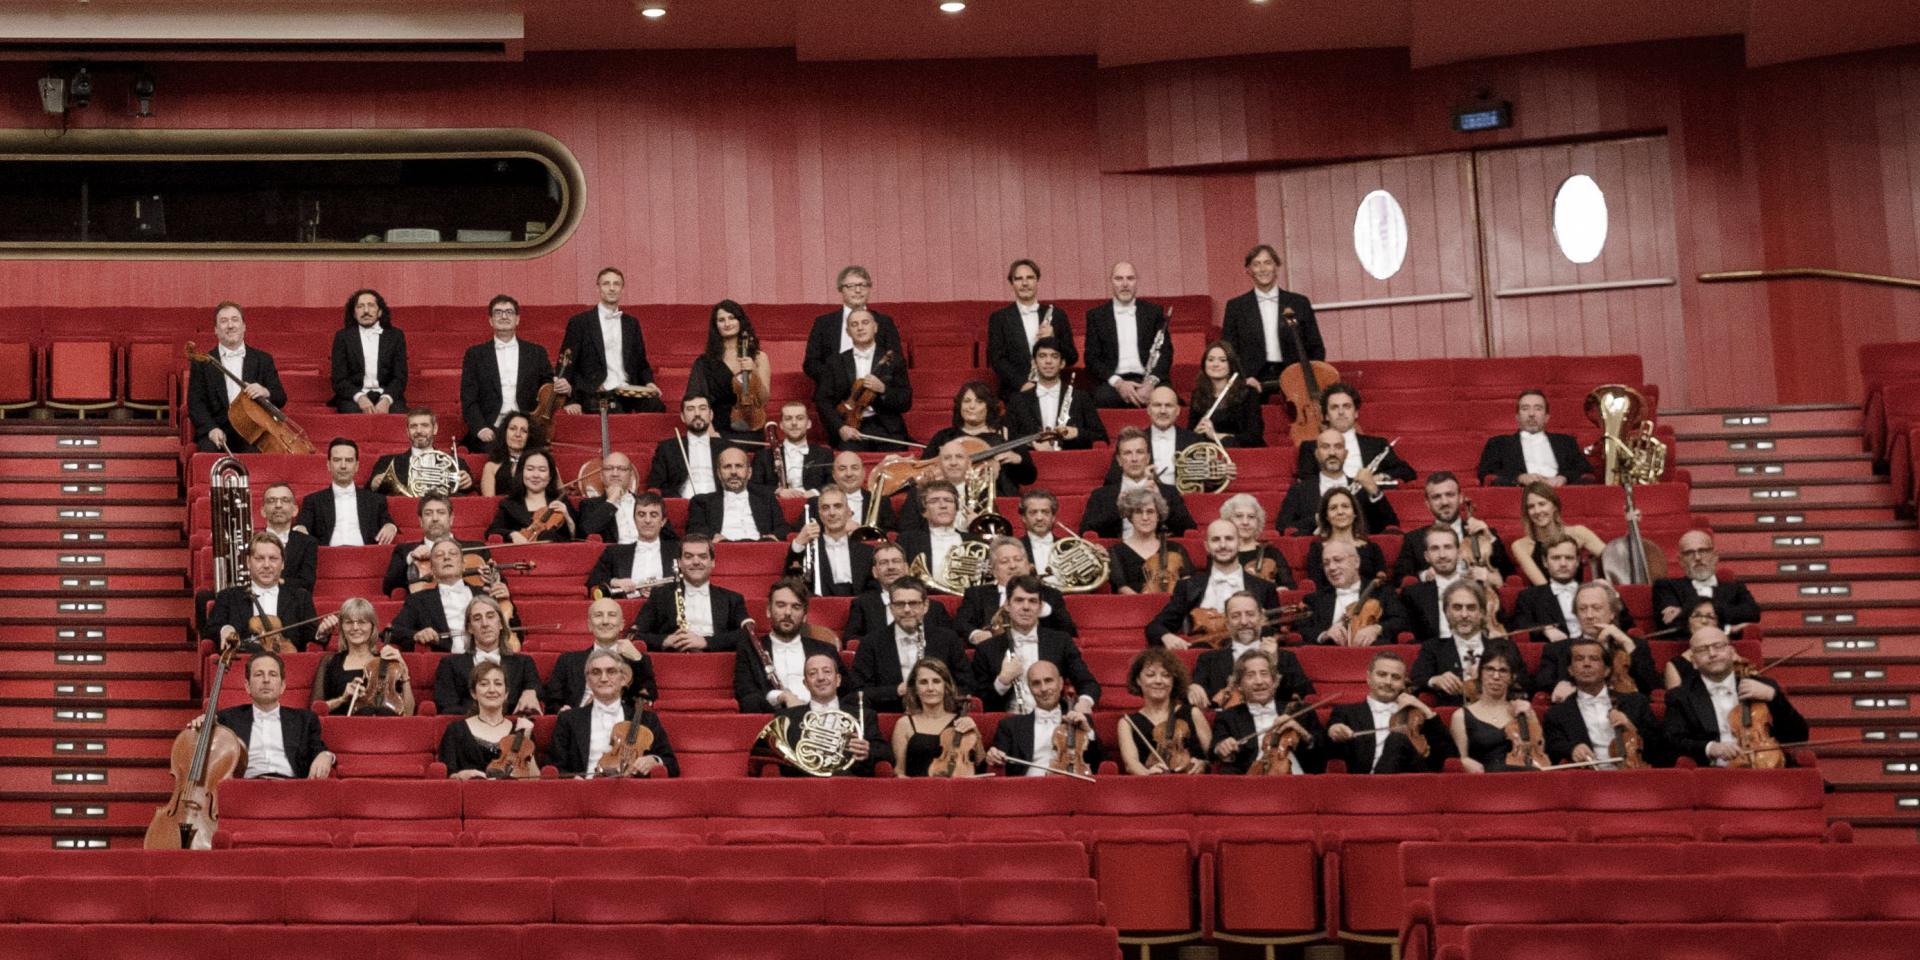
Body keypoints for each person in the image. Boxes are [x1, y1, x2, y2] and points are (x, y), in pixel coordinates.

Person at [1664, 626, 1809, 768]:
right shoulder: (1680, 696)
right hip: (1714, 778)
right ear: (1694, 662)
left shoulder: (1764, 685)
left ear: (1732, 652)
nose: (1712, 653)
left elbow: (1798, 736)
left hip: (1766, 770)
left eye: (1718, 646)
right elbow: (1672, 742)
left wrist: (1774, 697)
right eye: (1702, 650)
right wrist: (1710, 748)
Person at [971, 576, 1099, 714]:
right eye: (1019, 600)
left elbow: (1088, 683)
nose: (1026, 607)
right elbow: (981, 703)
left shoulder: (1061, 641)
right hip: (1008, 726)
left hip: (1054, 723)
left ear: (1040, 607)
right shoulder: (987, 649)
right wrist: (1002, 681)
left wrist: (1085, 702)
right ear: (1007, 605)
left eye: (1032, 601)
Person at [1146, 519, 1283, 649]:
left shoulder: (1265, 587)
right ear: (1207, 546)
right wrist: (1167, 636)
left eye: (1229, 539)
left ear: (1239, 543)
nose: (1223, 545)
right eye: (1216, 539)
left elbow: (1276, 630)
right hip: (1204, 658)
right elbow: (1156, 626)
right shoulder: (1187, 587)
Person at [197, 652, 334, 779]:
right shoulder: (226, 719)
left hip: (291, 789)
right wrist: (201, 725)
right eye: (258, 674)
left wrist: (326, 755)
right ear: (247, 686)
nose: (266, 680)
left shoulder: (305, 720)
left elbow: (319, 749)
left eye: (273, 674)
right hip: (244, 789)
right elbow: (207, 752)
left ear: (282, 686)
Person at [550, 649, 678, 777]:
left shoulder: (647, 719)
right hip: (584, 791)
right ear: (588, 681)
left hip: (634, 793)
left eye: (611, 671)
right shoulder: (568, 720)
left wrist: (654, 761)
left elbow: (672, 765)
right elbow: (554, 768)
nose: (604, 678)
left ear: (623, 679)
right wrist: (573, 779)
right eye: (596, 672)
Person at [1544, 637, 1667, 769]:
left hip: (1633, 777)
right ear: (1570, 670)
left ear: (1607, 670)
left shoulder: (1636, 702)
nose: (1586, 664)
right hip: (1586, 780)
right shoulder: (1556, 714)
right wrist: (1572, 749)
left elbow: (1662, 751)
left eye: (1594, 659)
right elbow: (1553, 748)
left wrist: (1632, 728)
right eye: (1579, 659)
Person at [851, 577, 968, 715]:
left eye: (913, 603)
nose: (907, 609)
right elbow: (858, 693)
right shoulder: (870, 643)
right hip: (892, 715)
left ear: (925, 606)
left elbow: (967, 685)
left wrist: (936, 694)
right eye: (900, 604)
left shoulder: (948, 639)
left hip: (940, 716)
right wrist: (898, 690)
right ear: (891, 608)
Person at [1220, 243, 1322, 399]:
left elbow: (1316, 347)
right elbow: (1229, 351)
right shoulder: (1236, 307)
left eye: (1268, 263)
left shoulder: (1299, 303)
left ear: (1276, 267)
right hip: (1252, 380)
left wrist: (1307, 378)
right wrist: (1242, 379)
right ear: (1248, 270)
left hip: (1296, 378)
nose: (1262, 269)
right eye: (1256, 264)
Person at [459, 294, 559, 451]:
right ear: (490, 320)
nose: (504, 316)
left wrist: (562, 387)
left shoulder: (537, 352)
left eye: (509, 312)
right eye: (498, 312)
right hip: (491, 429)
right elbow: (468, 398)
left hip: (527, 429)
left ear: (517, 319)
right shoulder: (474, 354)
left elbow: (549, 388)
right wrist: (481, 429)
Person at [558, 266, 663, 413]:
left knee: (656, 406)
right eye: (606, 284)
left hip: (629, 391)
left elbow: (642, 363)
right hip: (597, 393)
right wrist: (570, 401)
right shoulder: (580, 322)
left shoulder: (632, 323)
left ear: (622, 289)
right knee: (614, 410)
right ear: (598, 288)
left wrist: (650, 383)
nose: (612, 288)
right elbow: (566, 363)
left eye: (616, 284)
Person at [188, 301, 288, 453]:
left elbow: (280, 397)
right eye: (224, 321)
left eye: (235, 320)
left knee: (257, 455)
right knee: (208, 451)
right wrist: (211, 428)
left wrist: (265, 391)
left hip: (253, 432)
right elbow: (196, 403)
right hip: (218, 429)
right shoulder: (203, 362)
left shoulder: (263, 359)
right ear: (215, 329)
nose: (230, 325)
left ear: (244, 326)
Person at [1532, 581, 1657, 701]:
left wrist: (1627, 644)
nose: (1589, 615)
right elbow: (1540, 683)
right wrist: (1561, 685)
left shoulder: (1634, 646)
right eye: (1582, 609)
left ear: (1612, 613)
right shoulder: (1556, 649)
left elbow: (1652, 687)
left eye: (1596, 608)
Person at [1410, 580, 1529, 707]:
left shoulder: (1504, 646)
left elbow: (1524, 680)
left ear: (1482, 612)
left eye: (1471, 608)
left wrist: (1492, 676)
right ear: (1446, 612)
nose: (1464, 615)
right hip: (1453, 716)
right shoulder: (1433, 647)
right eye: (1457, 608)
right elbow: (1417, 677)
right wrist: (1435, 680)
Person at [1187, 592, 1314, 708]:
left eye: (1250, 614)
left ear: (1261, 618)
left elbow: (1306, 697)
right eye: (1236, 616)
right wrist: (1193, 688)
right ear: (1227, 622)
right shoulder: (1208, 660)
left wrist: (1274, 664)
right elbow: (1201, 700)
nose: (1244, 621)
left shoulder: (1286, 658)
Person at [771, 653, 890, 777]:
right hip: (804, 787)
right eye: (813, 673)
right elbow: (766, 753)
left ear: (838, 680)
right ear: (805, 683)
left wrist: (868, 751)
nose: (821, 677)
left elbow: (887, 754)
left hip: (850, 786)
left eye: (827, 671)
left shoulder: (864, 715)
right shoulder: (786, 718)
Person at [1325, 652, 1445, 774]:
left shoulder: (1415, 715)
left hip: (1409, 784)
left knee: (1397, 739)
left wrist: (1425, 709)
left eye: (1396, 677)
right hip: (1362, 784)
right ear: (1369, 678)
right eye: (1382, 675)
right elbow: (1326, 748)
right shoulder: (1346, 712)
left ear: (1404, 683)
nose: (1388, 682)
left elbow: (1445, 756)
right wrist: (1334, 731)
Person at [202, 533, 325, 652]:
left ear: (282, 564)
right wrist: (225, 629)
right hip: (241, 664)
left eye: (273, 559)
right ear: (248, 562)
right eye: (260, 558)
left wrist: (322, 632)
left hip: (288, 665)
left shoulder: (300, 597)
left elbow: (312, 637)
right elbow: (209, 631)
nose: (266, 565)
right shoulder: (228, 596)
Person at [814, 308, 914, 452]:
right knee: (848, 460)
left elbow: (906, 401)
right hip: (851, 427)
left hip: (887, 428)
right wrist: (840, 428)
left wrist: (883, 389)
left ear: (875, 328)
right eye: (854, 325)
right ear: (848, 332)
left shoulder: (894, 360)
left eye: (865, 322)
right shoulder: (835, 362)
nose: (860, 328)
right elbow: (823, 400)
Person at [734, 578, 841, 713]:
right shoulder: (750, 650)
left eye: (796, 607)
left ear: (804, 616)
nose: (788, 613)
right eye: (781, 605)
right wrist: (781, 697)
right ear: (768, 610)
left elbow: (846, 694)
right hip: (774, 723)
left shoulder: (826, 650)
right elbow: (747, 698)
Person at [389, 539, 516, 652]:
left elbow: (514, 632)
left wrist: (505, 601)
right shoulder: (418, 600)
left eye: (453, 554)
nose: (446, 558)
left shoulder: (485, 594)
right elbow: (392, 632)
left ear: (463, 565)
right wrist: (416, 635)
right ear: (432, 569)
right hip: (449, 663)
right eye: (439, 555)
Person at [632, 536, 753, 652]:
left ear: (713, 562)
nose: (696, 562)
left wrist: (706, 642)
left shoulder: (732, 599)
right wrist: (665, 640)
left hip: (717, 662)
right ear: (679, 562)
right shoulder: (660, 596)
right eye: (689, 556)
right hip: (673, 661)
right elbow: (636, 635)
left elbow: (747, 634)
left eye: (703, 556)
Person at [1213, 648, 1324, 775]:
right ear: (1239, 685)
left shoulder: (1302, 710)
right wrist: (1221, 747)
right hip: (1251, 785)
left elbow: (1324, 751)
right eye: (1250, 675)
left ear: (1275, 681)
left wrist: (1302, 732)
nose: (1259, 682)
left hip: (1299, 782)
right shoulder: (1228, 717)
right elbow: (1216, 748)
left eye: (1264, 674)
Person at [540, 596, 656, 713]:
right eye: (598, 615)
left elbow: (649, 696)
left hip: (621, 725)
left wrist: (637, 659)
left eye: (611, 615)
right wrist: (561, 710)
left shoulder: (638, 659)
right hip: (578, 723)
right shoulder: (568, 661)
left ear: (621, 625)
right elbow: (551, 702)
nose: (605, 621)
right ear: (589, 625)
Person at [987, 660, 1101, 777]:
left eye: (1048, 681)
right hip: (1028, 789)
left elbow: (1099, 763)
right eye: (1036, 683)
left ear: (1061, 683)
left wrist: (1088, 732)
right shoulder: (1009, 726)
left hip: (1071, 787)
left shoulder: (1080, 720)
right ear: (1030, 688)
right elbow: (993, 766)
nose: (1044, 688)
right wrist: (994, 756)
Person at [955, 536, 1077, 644]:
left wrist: (1046, 610)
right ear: (993, 570)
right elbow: (961, 624)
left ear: (1029, 565)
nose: (1013, 566)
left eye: (1018, 559)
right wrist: (975, 634)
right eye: (1004, 561)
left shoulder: (1050, 594)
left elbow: (1069, 631)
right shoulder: (977, 594)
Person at [1083, 261, 1172, 408]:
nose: (1125, 284)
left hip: (1149, 379)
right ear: (1111, 282)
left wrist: (1150, 383)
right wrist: (1118, 383)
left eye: (1130, 278)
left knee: (1167, 397)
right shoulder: (1096, 315)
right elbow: (1092, 358)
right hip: (1114, 383)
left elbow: (1166, 352)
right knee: (1101, 398)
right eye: (1119, 279)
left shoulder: (1154, 312)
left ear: (1136, 282)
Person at [437, 595, 545, 716]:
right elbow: (447, 707)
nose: (485, 624)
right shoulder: (450, 664)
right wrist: (487, 715)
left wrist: (531, 691)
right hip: (468, 728)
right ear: (470, 628)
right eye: (477, 618)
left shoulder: (523, 662)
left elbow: (537, 686)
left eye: (490, 616)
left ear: (500, 624)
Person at [1393, 471, 1511, 582]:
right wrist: (1425, 576)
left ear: (1460, 498)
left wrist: (1491, 538)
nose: (1444, 502)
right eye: (1436, 497)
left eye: (1450, 495)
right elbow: (1399, 578)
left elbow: (1508, 574)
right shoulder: (1413, 539)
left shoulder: (1484, 532)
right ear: (1427, 504)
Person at [897, 432, 1025, 533]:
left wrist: (977, 526)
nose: (953, 463)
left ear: (969, 463)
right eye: (947, 458)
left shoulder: (986, 494)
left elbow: (995, 536)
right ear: (939, 464)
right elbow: (907, 534)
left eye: (959, 457)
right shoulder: (918, 493)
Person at [1080, 428, 1197, 538]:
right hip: (1116, 556)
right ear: (1119, 460)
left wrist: (1160, 500)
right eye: (1127, 453)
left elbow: (1188, 530)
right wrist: (1117, 509)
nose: (1134, 459)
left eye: (1140, 452)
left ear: (1147, 458)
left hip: (1158, 556)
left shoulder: (1168, 492)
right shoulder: (1100, 495)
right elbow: (1085, 533)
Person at [1277, 429, 1397, 536]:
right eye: (1325, 447)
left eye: (1338, 447)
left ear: (1346, 454)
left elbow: (1391, 526)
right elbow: (1283, 528)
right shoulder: (1299, 490)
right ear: (1317, 454)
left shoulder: (1363, 488)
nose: (1332, 453)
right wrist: (1317, 520)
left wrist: (1374, 490)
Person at [1509, 535, 1631, 639]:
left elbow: (1628, 626)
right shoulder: (1529, 596)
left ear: (1577, 561)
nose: (1563, 564)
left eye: (1569, 558)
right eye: (1556, 558)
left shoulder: (1596, 591)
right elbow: (1519, 627)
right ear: (1545, 562)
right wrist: (1545, 630)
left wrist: (1614, 594)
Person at [987, 258, 1078, 397]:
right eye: (1018, 279)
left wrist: (1053, 340)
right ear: (1012, 284)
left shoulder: (1058, 315)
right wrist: (1022, 384)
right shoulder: (999, 318)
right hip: (1017, 390)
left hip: (1052, 387)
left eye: (1030, 278)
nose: (1024, 283)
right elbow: (997, 360)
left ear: (1037, 281)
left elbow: (1072, 357)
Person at [1291, 383, 1415, 484]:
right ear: (1326, 416)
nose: (1341, 412)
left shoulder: (1377, 444)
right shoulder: (1309, 447)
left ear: (1356, 413)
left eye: (1346, 406)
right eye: (1334, 407)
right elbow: (1307, 482)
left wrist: (1381, 476)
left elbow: (1407, 472)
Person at [1398, 526, 1503, 644]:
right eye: (1435, 549)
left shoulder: (1483, 589)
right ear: (1427, 556)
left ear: (1459, 553)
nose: (1442, 555)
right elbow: (1410, 639)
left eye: (1447, 547)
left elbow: (1503, 628)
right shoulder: (1412, 594)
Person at [803, 265, 904, 385]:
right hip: (834, 393)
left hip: (875, 392)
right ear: (841, 289)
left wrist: (877, 383)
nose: (857, 290)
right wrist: (833, 379)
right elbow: (811, 363)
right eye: (851, 286)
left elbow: (896, 359)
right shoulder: (823, 323)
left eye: (863, 285)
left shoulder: (884, 322)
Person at [312, 598, 412, 717]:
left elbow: (409, 713)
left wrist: (404, 673)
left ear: (372, 627)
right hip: (340, 730)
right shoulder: (329, 661)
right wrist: (342, 699)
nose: (355, 628)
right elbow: (315, 710)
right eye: (348, 622)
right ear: (342, 628)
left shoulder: (386, 661)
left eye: (362, 622)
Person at [1117, 647, 1210, 775]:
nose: (1159, 681)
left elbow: (1213, 757)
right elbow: (1131, 764)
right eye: (1150, 675)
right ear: (1138, 680)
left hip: (1194, 786)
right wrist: (1148, 775)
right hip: (1150, 789)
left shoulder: (1193, 713)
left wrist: (1203, 764)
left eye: (1166, 675)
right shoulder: (1127, 723)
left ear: (1173, 681)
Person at [438, 662, 539, 779]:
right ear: (473, 693)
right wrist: (460, 776)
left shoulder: (521, 729)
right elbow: (446, 778)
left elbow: (534, 779)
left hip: (512, 795)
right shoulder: (455, 730)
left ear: (506, 693)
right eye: (484, 684)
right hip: (471, 794)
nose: (492, 690)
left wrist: (525, 739)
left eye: (498, 684)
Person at [684, 299, 770, 436]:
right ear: (716, 325)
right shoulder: (704, 362)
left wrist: (754, 371)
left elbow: (763, 399)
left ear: (740, 322)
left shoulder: (759, 357)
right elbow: (694, 398)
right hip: (716, 426)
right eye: (721, 320)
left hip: (750, 423)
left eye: (732, 318)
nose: (727, 324)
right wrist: (710, 431)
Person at [1476, 389, 1594, 487]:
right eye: (1525, 408)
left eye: (1538, 408)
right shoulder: (1498, 443)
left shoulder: (1566, 442)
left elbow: (1585, 470)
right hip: (1519, 494)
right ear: (1517, 417)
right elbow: (1486, 474)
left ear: (1547, 417)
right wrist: (1520, 477)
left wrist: (1564, 478)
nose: (1531, 414)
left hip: (1561, 493)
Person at [294, 439, 398, 547]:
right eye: (337, 460)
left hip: (365, 558)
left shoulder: (375, 500)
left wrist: (390, 526)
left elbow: (387, 520)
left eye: (348, 460)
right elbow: (302, 524)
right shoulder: (312, 500)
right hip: (326, 558)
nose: (343, 466)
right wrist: (300, 528)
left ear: (357, 466)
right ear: (328, 465)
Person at [1006, 338, 1105, 451]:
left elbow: (1101, 437)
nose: (1048, 361)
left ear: (1062, 363)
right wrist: (1032, 444)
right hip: (1030, 465)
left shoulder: (1081, 397)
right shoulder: (1018, 400)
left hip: (1070, 464)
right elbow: (1008, 437)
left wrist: (1077, 433)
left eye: (1054, 356)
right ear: (1034, 362)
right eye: (1042, 356)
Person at [1302, 540, 1407, 646]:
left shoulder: (1383, 592)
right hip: (1329, 657)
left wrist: (1377, 628)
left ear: (1356, 562)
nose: (1331, 568)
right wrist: (1324, 634)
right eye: (1326, 563)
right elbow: (1302, 629)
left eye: (1338, 560)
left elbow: (1401, 621)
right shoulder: (1314, 599)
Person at [1449, 657, 1543, 773]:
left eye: (1503, 671)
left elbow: (1540, 753)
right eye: (1490, 669)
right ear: (1480, 674)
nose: (1496, 677)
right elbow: (1460, 759)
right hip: (1484, 779)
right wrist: (1464, 760)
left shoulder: (1523, 711)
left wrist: (1531, 718)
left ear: (1511, 677)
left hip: (1522, 775)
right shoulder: (1460, 716)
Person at [845, 542, 957, 639]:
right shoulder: (862, 605)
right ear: (874, 572)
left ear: (906, 568)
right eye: (884, 562)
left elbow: (949, 641)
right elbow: (851, 640)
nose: (890, 567)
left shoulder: (935, 608)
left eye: (896, 561)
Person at [1654, 530, 1762, 630]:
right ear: (1681, 561)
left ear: (1715, 556)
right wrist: (1728, 628)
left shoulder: (1735, 588)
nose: (1697, 558)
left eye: (1703, 551)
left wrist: (1684, 611)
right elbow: (1669, 623)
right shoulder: (1666, 587)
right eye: (1689, 553)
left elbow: (1753, 614)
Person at [891, 658, 981, 777]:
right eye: (923, 682)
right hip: (917, 791)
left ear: (945, 686)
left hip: (955, 791)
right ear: (915, 689)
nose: (930, 688)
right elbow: (899, 771)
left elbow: (981, 764)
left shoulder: (961, 721)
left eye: (936, 681)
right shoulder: (904, 724)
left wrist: (975, 732)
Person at [1509, 483, 1610, 586]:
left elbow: (1612, 561)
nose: (1537, 511)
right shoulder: (1521, 546)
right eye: (1531, 507)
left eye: (1542, 504)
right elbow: (1543, 586)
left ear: (1554, 506)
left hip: (1579, 598)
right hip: (1544, 599)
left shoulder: (1579, 533)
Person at [586, 492, 680, 599]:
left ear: (663, 521)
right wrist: (615, 582)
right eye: (641, 514)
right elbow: (592, 583)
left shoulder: (678, 551)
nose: (647, 520)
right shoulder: (614, 553)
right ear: (634, 520)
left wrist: (664, 589)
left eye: (653, 515)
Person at [685, 447, 790, 542]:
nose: (733, 472)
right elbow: (695, 528)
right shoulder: (701, 501)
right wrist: (714, 536)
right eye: (727, 467)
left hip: (760, 550)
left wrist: (772, 537)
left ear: (749, 473)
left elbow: (782, 527)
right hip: (722, 552)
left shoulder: (767, 498)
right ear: (718, 474)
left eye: (739, 466)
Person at [328, 288, 407, 414]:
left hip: (386, 394)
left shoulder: (396, 336)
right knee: (352, 414)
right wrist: (359, 397)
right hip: (354, 396)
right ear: (354, 313)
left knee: (398, 414)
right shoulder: (342, 337)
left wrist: (387, 399)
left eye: (371, 306)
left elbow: (400, 377)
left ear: (380, 312)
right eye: (360, 306)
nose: (366, 311)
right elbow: (339, 379)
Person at [894, 481, 983, 591]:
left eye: (948, 500)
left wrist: (979, 526)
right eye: (934, 501)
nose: (943, 505)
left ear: (956, 509)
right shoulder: (907, 540)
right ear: (924, 512)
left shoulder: (975, 540)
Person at [785, 486, 871, 597]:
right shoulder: (809, 550)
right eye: (825, 508)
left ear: (848, 512)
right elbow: (792, 582)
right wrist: (798, 544)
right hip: (820, 609)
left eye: (838, 506)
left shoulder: (867, 552)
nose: (832, 513)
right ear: (820, 514)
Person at [1107, 487, 1195, 595]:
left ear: (1158, 516)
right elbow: (1121, 588)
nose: (1145, 517)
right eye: (1138, 512)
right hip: (1133, 608)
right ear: (1130, 517)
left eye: (1150, 512)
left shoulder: (1176, 548)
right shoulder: (1116, 551)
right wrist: (1148, 603)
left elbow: (1188, 584)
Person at [368, 408, 474, 496]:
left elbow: (468, 495)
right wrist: (373, 485)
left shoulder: (456, 462)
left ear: (435, 429)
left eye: (425, 425)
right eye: (413, 426)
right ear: (407, 432)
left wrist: (468, 484)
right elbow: (367, 494)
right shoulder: (387, 462)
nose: (419, 431)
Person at [381, 494, 467, 597]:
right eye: (428, 514)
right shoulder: (404, 551)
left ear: (451, 518)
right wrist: (411, 558)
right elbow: (388, 587)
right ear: (421, 521)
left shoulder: (478, 549)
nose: (435, 518)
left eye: (441, 513)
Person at [645, 396, 732, 498]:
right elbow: (655, 484)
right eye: (690, 409)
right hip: (683, 504)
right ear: (682, 417)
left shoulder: (728, 447)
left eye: (702, 408)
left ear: (711, 414)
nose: (697, 413)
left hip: (720, 504)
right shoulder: (667, 448)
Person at [1303, 486, 1391, 585]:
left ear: (1354, 513)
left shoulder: (1372, 548)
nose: (1340, 512)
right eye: (1333, 508)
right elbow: (1317, 588)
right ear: (1327, 516)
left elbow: (1382, 583)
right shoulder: (1317, 549)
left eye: (1345, 506)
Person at [487, 449, 576, 543]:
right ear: (521, 473)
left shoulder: (561, 501)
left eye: (542, 470)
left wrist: (567, 517)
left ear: (550, 476)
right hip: (522, 554)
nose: (536, 475)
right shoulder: (508, 504)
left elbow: (577, 538)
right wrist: (512, 534)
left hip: (555, 554)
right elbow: (493, 531)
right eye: (530, 469)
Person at [1189, 340, 1265, 448]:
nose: (1215, 364)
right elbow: (1191, 434)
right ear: (1204, 364)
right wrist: (1196, 435)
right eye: (1210, 360)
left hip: (1243, 454)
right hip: (1211, 456)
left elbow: (1254, 437)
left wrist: (1215, 435)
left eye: (1222, 360)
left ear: (1231, 364)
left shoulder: (1248, 393)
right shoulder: (1198, 395)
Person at [753, 401, 833, 499]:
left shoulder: (824, 454)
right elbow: (754, 486)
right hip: (777, 507)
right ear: (781, 425)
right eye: (788, 419)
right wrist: (778, 491)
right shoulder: (764, 456)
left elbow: (833, 483)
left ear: (808, 424)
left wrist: (814, 492)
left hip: (814, 505)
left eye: (800, 418)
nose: (794, 423)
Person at [1220, 494, 1294, 589]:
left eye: (1251, 517)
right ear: (1228, 520)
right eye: (1239, 516)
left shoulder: (1271, 552)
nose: (1245, 522)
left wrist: (1281, 590)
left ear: (1258, 522)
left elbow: (1289, 586)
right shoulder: (1220, 552)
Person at [257, 482, 317, 594]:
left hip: (292, 604)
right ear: (263, 511)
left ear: (295, 510)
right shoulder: (250, 541)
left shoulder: (308, 543)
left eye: (285, 500)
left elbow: (307, 584)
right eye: (271, 501)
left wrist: (270, 582)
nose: (278, 505)